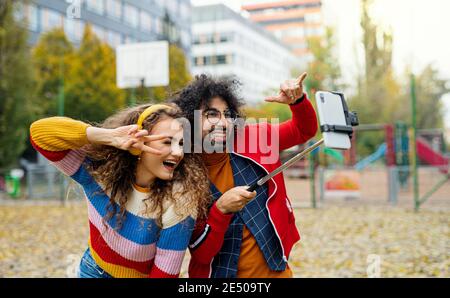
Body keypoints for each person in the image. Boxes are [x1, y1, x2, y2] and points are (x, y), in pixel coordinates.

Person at [29, 104, 210, 278]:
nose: (178, 153)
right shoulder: (100, 170)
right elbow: (40, 134)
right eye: (167, 142)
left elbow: (166, 272)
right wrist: (110, 136)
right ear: (137, 143)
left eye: (181, 144)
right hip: (92, 269)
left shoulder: (180, 199)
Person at [172, 73, 318, 278]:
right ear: (190, 120)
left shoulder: (254, 138)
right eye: (212, 114)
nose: (223, 123)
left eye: (228, 114)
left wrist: (299, 101)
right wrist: (221, 210)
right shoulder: (181, 171)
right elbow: (202, 255)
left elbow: (304, 130)